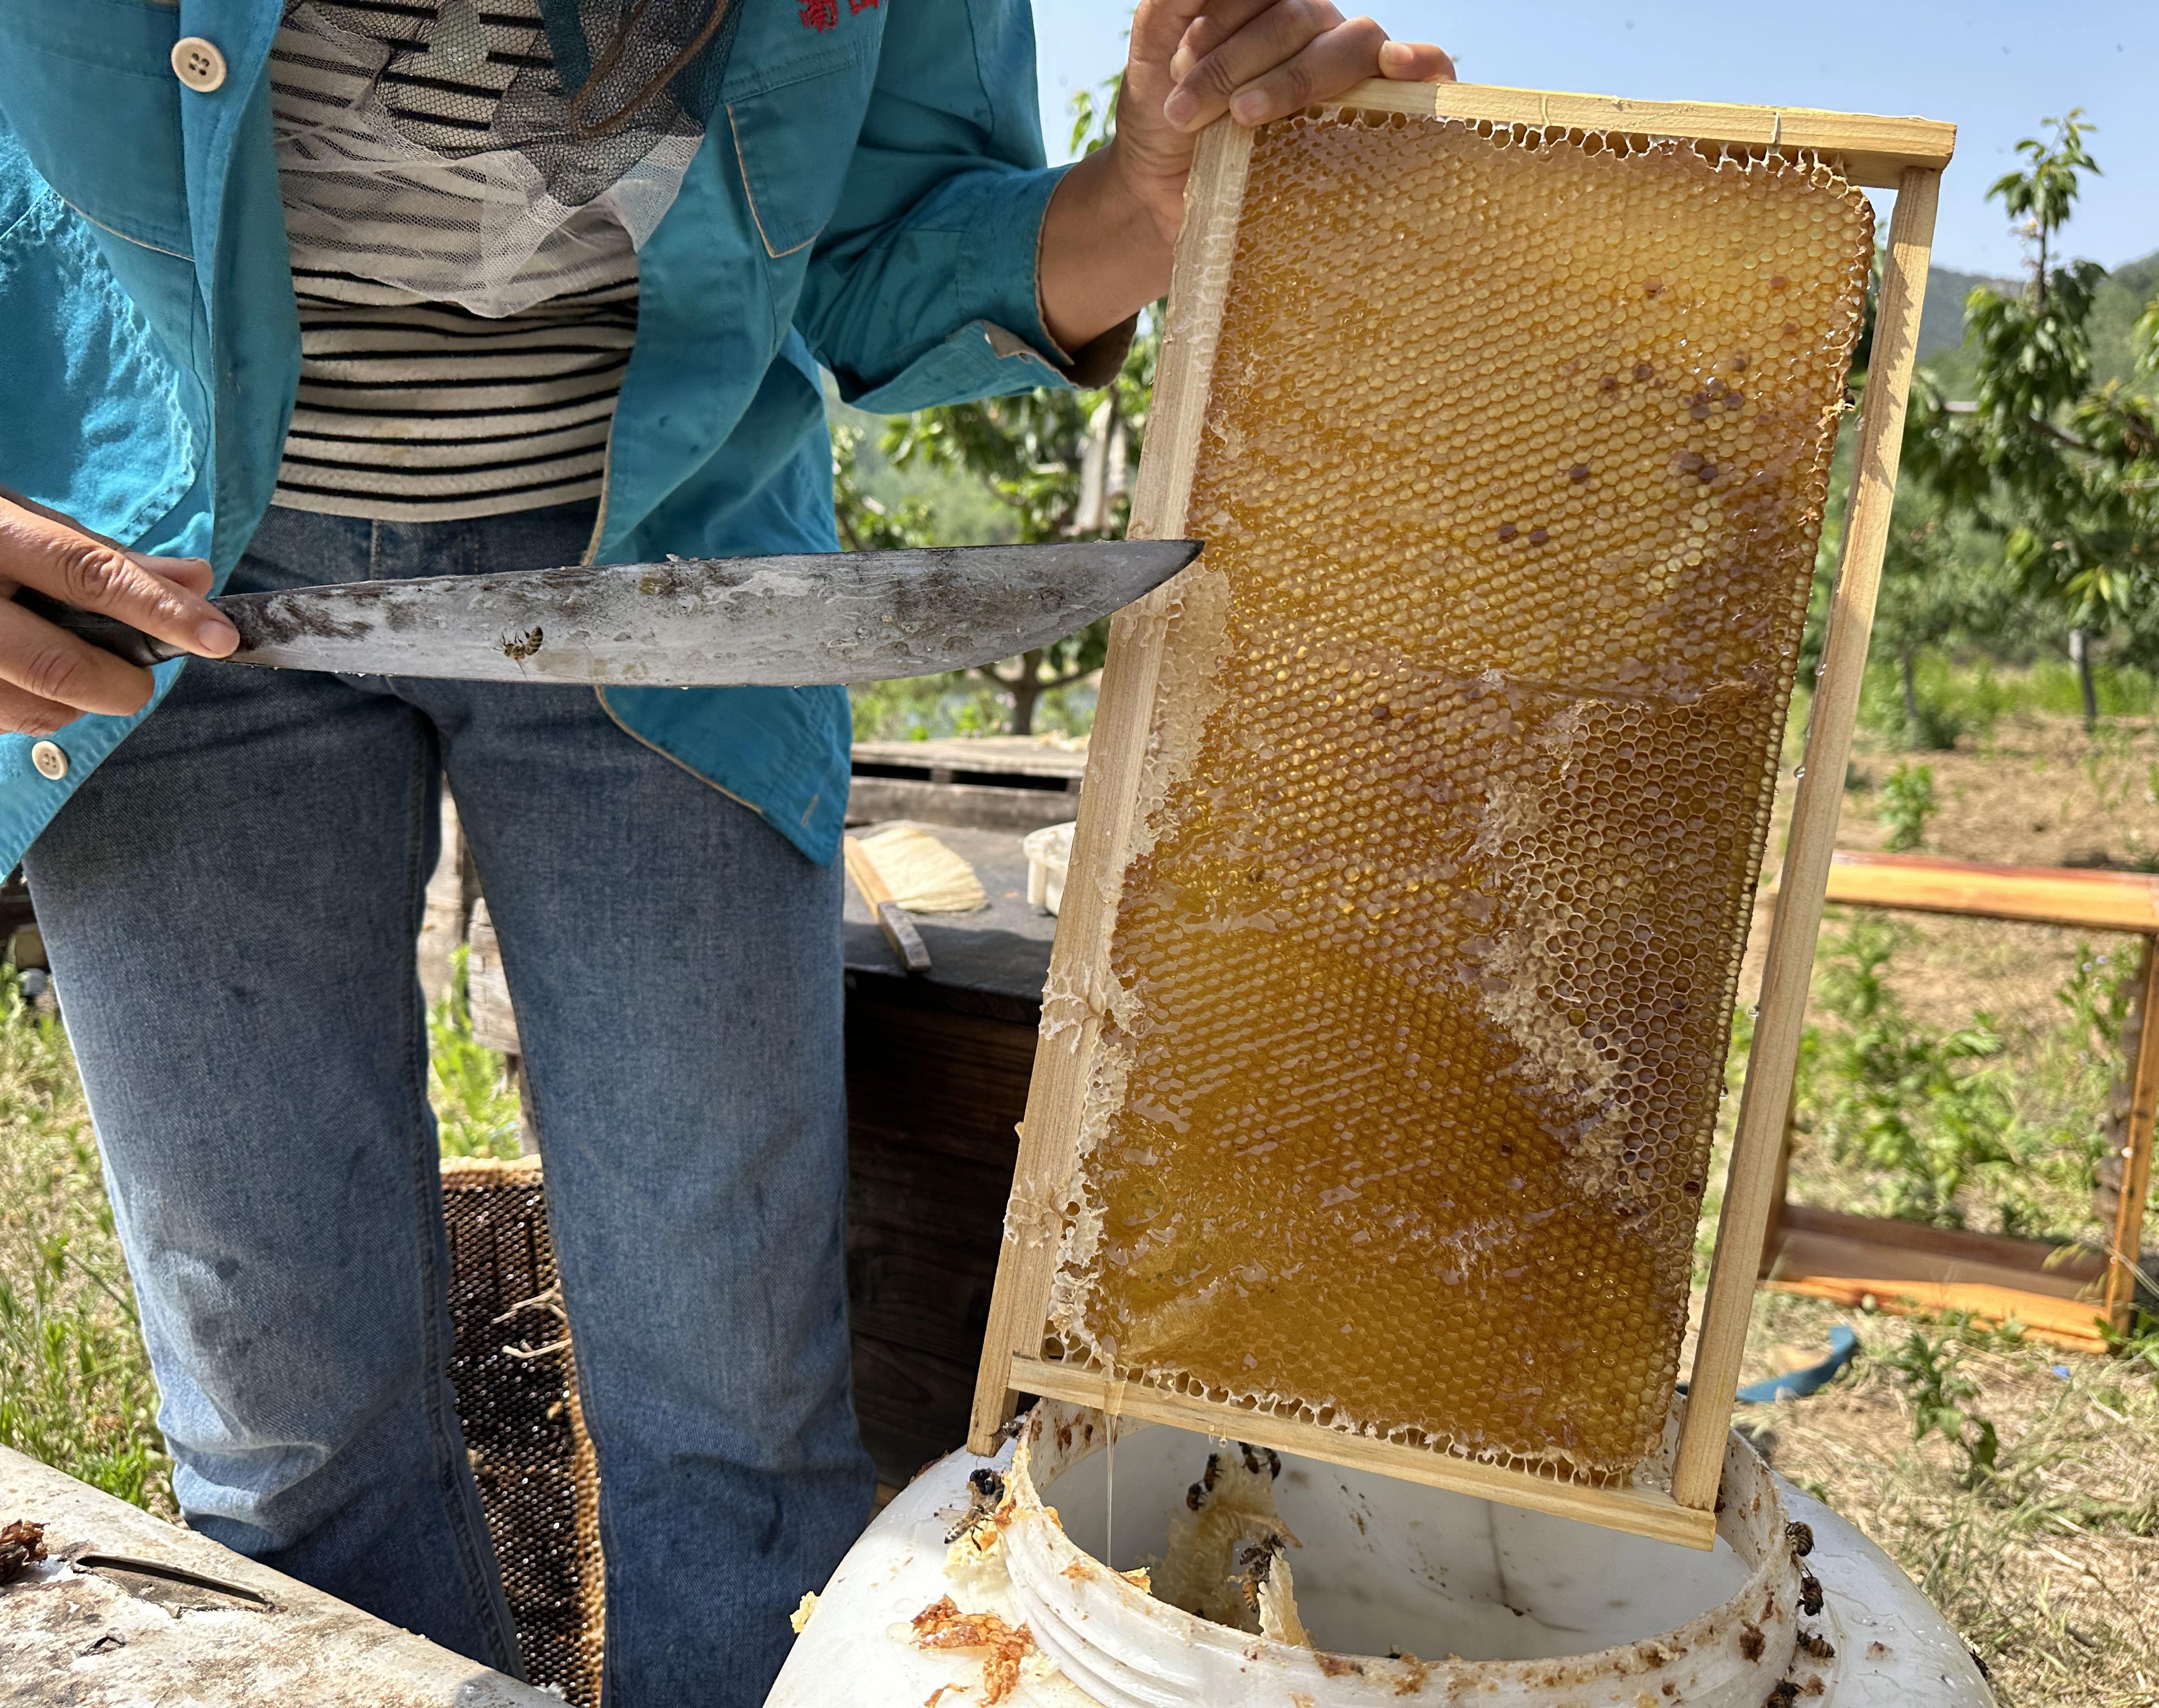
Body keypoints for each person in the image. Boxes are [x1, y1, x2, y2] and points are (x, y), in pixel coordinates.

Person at [0, 2, 1451, 1701]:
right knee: (285, 1434)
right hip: (136, 599)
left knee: (738, 1423)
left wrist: (1139, 195)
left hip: (673, 597)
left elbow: (875, 265)